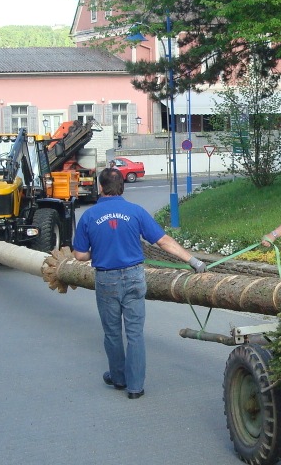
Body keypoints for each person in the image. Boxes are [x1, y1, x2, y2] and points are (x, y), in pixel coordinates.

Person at [72, 167, 208, 399]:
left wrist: (99, 251)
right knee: (135, 333)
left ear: (101, 187)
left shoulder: (89, 216)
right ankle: (135, 387)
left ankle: (118, 378)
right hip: (134, 277)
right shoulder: (136, 212)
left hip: (107, 280)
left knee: (112, 333)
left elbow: (80, 255)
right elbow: (163, 241)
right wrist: (193, 261)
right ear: (122, 187)